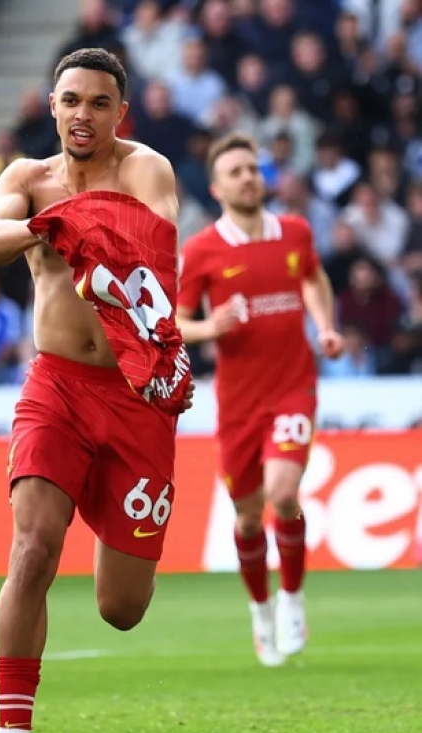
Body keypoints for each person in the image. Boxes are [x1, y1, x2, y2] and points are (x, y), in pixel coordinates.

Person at [0, 47, 191, 733]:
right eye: (71, 101)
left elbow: (153, 249)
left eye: (99, 103)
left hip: (136, 397)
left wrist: (77, 226)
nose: (83, 114)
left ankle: (110, 521)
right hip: (56, 386)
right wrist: (50, 223)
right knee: (31, 551)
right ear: (52, 106)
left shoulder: (147, 169)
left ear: (119, 113)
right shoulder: (25, 180)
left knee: (120, 610)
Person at [176, 133, 344, 668]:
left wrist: (325, 326)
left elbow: (314, 280)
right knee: (248, 519)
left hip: (294, 387)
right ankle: (260, 609)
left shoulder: (294, 232)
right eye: (237, 171)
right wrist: (210, 326)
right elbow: (177, 322)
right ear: (217, 187)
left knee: (284, 492)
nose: (249, 177)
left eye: (254, 168)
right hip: (238, 404)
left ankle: (293, 598)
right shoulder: (202, 249)